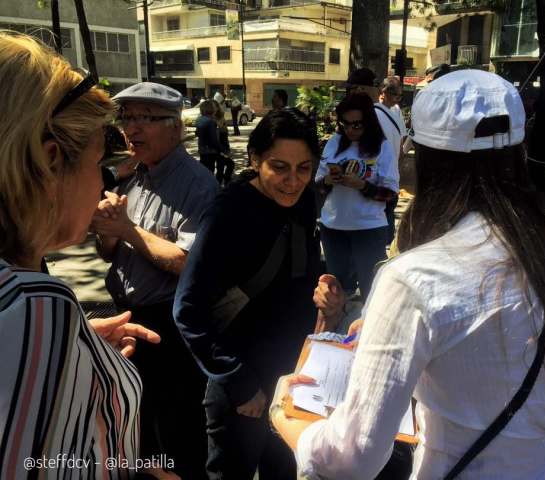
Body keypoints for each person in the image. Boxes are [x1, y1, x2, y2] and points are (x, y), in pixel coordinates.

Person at [271, 70, 545, 479]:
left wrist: (287, 417)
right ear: (518, 154)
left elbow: (354, 458)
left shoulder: (414, 277)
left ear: (424, 158)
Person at [0, 32, 161, 479]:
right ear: (51, 163)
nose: (102, 184)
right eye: (98, 165)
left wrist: (71, 352)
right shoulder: (34, 307)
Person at [173, 108, 323, 480]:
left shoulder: (305, 199)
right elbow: (188, 310)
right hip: (241, 382)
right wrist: (239, 383)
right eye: (279, 167)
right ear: (255, 160)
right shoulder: (229, 213)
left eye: (303, 168)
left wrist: (326, 289)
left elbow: (304, 271)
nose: (292, 181)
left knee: (288, 470)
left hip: (293, 377)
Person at [92, 82, 218, 479]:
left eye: (145, 118)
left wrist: (126, 229)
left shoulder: (198, 185)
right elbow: (108, 252)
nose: (133, 128)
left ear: (175, 127)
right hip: (128, 318)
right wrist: (110, 230)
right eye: (127, 117)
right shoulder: (134, 175)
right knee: (138, 425)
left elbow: (186, 262)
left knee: (179, 431)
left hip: (171, 328)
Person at [316, 92, 399, 299]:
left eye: (357, 125)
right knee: (336, 293)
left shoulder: (382, 147)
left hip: (368, 229)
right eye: (345, 124)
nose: (350, 130)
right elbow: (317, 185)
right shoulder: (335, 142)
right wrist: (328, 180)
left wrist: (362, 186)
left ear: (368, 122)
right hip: (333, 228)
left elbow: (391, 194)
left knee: (372, 293)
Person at [375, 76, 407, 244]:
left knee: (388, 211)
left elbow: (401, 140)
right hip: (380, 172)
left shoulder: (396, 111)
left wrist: (398, 164)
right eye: (395, 95)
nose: (397, 99)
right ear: (384, 92)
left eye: (399, 96)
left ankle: (385, 247)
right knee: (382, 213)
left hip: (392, 173)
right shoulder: (373, 111)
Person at [196, 99, 233, 186]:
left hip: (203, 151)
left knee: (206, 174)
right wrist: (224, 151)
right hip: (210, 152)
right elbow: (214, 141)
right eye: (213, 107)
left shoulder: (200, 119)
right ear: (211, 109)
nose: (215, 109)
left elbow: (198, 133)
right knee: (209, 175)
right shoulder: (210, 122)